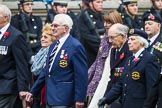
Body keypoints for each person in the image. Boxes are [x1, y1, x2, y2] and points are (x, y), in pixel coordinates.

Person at [25, 14, 88, 108]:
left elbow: (81, 75)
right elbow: (46, 71)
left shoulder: (75, 46)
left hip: (65, 99)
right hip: (50, 98)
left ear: (66, 28)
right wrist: (33, 91)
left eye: (56, 26)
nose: (53, 28)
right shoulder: (53, 46)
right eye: (52, 25)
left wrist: (80, 99)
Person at [98, 28, 161, 108]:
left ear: (141, 42)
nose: (129, 42)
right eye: (129, 39)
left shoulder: (149, 59)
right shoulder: (130, 59)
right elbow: (121, 83)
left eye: (132, 39)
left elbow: (152, 88)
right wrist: (106, 99)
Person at [88, 22, 132, 108]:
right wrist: (105, 98)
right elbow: (112, 79)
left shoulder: (129, 50)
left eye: (112, 38)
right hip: (114, 92)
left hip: (126, 95)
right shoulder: (113, 51)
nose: (110, 41)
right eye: (109, 38)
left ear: (122, 36)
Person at [0, 4, 30, 108]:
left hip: (8, 86)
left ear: (5, 17)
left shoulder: (16, 36)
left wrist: (23, 88)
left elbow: (21, 63)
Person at [30, 23, 56, 108]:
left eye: (45, 37)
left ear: (52, 39)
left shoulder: (53, 53)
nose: (42, 39)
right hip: (37, 94)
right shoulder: (40, 52)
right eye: (42, 37)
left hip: (46, 96)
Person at [141, 11, 162, 108]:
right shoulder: (141, 41)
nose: (147, 26)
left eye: (150, 24)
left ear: (158, 25)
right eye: (145, 24)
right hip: (141, 86)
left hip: (156, 87)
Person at [78, 0, 105, 68]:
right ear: (90, 4)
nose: (101, 4)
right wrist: (101, 47)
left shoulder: (101, 16)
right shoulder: (84, 16)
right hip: (90, 54)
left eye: (101, 2)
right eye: (98, 2)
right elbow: (86, 36)